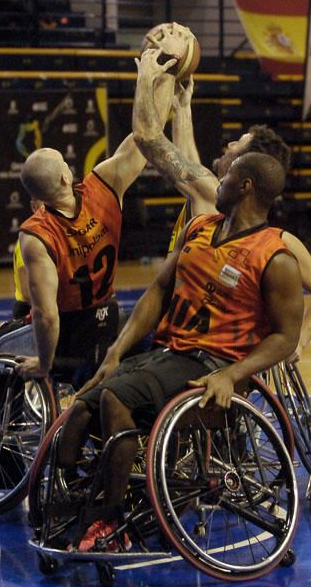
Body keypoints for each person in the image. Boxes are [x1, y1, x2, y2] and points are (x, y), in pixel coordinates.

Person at [58, 147, 303, 552]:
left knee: (116, 399)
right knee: (83, 402)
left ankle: (111, 522)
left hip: (212, 364)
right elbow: (158, 290)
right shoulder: (200, 228)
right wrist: (117, 351)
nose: (217, 182)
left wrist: (232, 374)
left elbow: (284, 338)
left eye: (225, 179)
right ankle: (74, 499)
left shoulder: (275, 258)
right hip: (169, 352)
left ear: (245, 187)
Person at [133, 23, 311, 362]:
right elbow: (189, 162)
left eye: (237, 145)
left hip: (185, 332)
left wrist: (147, 74)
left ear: (247, 170)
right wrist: (182, 108)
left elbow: (147, 138)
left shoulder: (217, 200)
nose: (228, 144)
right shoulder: (265, 228)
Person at [14, 114, 163, 387]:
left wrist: (45, 365)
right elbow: (145, 136)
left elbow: (46, 315)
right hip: (107, 320)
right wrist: (161, 82)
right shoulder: (102, 187)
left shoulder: (35, 235)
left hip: (70, 336)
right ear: (64, 178)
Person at [12, 198, 43, 319]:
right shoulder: (28, 239)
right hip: (28, 309)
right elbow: (26, 292)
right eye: (43, 204)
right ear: (34, 207)